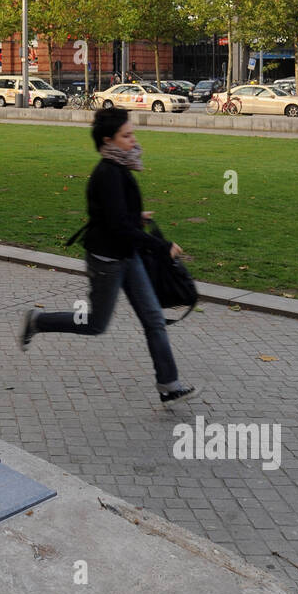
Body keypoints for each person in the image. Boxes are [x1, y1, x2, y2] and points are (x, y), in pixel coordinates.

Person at [20, 108, 195, 405]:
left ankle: (169, 385)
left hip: (128, 255)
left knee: (153, 319)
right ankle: (38, 321)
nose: (133, 140)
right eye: (126, 135)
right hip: (108, 261)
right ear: (108, 141)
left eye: (132, 133)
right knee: (96, 324)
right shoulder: (108, 173)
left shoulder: (119, 167)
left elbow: (115, 216)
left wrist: (134, 215)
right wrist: (161, 246)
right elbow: (116, 225)